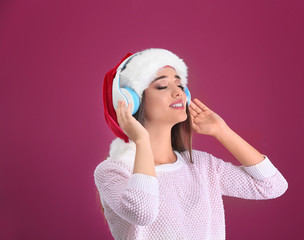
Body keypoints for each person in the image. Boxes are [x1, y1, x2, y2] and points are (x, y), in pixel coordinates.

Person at [94, 48, 288, 240]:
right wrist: (141, 140)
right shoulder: (112, 171)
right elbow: (143, 213)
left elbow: (272, 185)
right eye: (162, 86)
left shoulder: (202, 166)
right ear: (130, 101)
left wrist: (223, 132)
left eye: (180, 85)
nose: (178, 93)